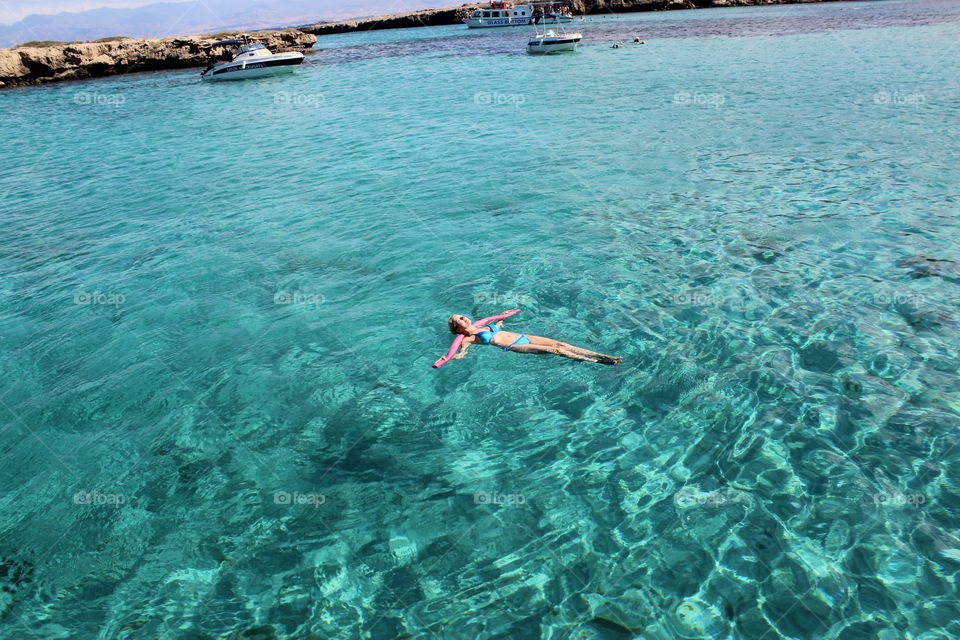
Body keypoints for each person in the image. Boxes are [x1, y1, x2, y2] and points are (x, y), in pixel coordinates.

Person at [447, 314, 622, 365]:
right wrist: (459, 355)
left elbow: (497, 329)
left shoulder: (482, 325)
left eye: (462, 316)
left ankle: (604, 355)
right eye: (459, 320)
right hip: (514, 345)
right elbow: (463, 350)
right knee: (557, 351)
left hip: (523, 337)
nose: (463, 318)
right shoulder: (466, 338)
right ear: (457, 328)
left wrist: (501, 319)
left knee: (561, 344)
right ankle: (596, 361)